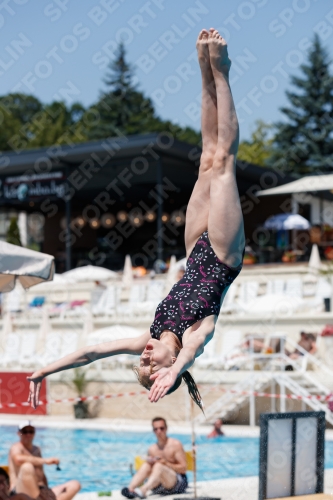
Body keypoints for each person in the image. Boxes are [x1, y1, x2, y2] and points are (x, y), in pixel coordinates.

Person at [27, 28, 245, 412]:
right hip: (224, 255)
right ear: (167, 367)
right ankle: (222, 71)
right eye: (151, 365)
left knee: (208, 157)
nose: (144, 357)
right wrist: (175, 370)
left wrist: (44, 370)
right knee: (224, 163)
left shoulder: (150, 332)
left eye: (141, 363)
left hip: (196, 248)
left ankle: (202, 69)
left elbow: (93, 351)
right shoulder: (197, 334)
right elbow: (189, 355)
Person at [8, 421, 80, 500]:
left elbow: (41, 474)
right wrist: (46, 461)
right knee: (27, 467)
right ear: (19, 433)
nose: (28, 434)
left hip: (40, 490)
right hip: (19, 491)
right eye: (25, 432)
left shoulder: (36, 449)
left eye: (31, 432)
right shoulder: (16, 447)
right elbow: (18, 459)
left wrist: (47, 490)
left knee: (74, 485)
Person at [121, 417, 187, 499]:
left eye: (161, 428)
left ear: (166, 429)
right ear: (153, 431)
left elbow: (184, 469)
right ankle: (130, 489)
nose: (159, 431)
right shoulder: (152, 449)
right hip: (158, 485)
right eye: (156, 429)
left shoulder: (175, 445)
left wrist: (166, 463)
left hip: (177, 484)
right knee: (147, 464)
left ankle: (143, 490)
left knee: (159, 465)